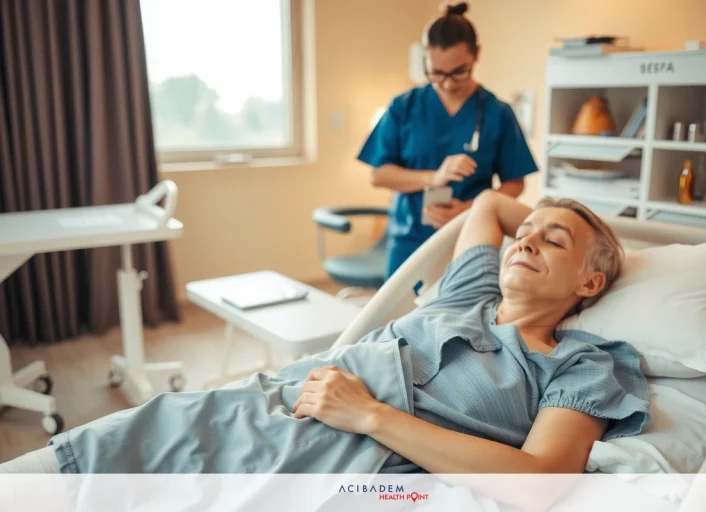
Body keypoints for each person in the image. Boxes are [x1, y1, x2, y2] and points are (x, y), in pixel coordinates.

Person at [0, 192, 649, 498]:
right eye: (525, 236)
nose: (526, 242)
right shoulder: (467, 295)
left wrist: (370, 415)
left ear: (590, 282)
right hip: (281, 407)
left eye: (551, 244)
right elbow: (486, 206)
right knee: (107, 450)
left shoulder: (580, 361)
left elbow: (540, 484)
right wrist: (552, 221)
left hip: (359, 448)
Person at [358, 2, 538, 279]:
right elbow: (378, 175)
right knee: (399, 317)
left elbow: (515, 182)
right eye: (437, 73)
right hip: (409, 242)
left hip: (473, 237)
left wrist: (469, 210)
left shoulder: (498, 113)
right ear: (425, 62)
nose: (448, 83)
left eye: (459, 72)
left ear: (477, 54)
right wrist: (435, 177)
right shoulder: (403, 107)